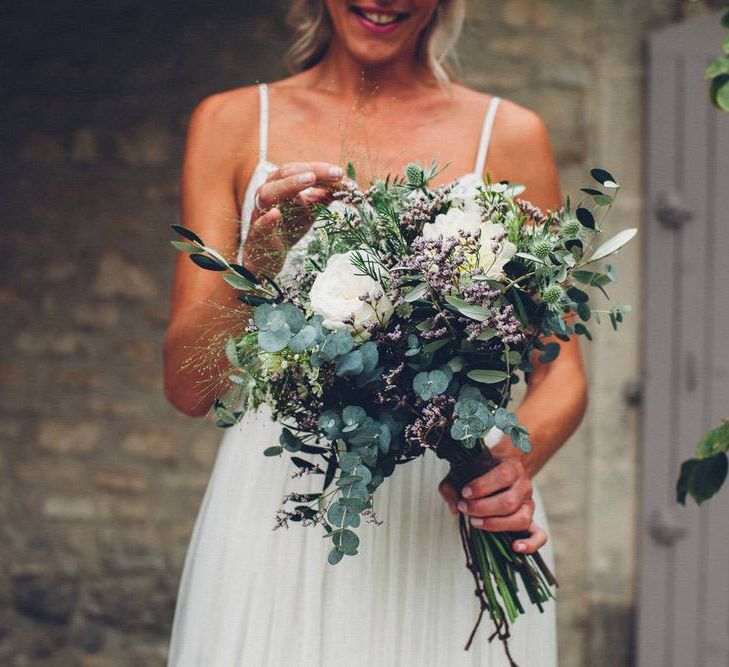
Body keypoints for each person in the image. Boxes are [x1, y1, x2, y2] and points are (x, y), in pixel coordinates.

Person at [163, 1, 587, 665]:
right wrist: (261, 258)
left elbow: (558, 369)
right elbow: (190, 388)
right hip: (282, 514)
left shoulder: (507, 135)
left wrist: (509, 464)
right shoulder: (231, 124)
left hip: (442, 518)